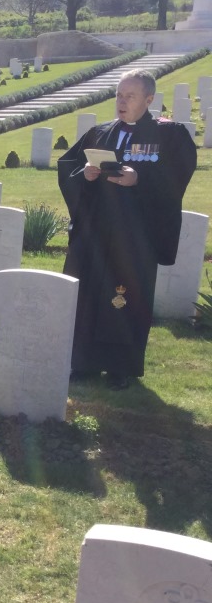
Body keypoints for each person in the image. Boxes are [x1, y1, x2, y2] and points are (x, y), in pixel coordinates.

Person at [58, 69, 196, 390]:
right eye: (119, 95)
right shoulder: (99, 133)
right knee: (89, 295)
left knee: (123, 298)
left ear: (148, 99)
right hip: (96, 234)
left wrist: (140, 180)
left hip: (135, 237)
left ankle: (120, 367)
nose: (121, 102)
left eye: (130, 96)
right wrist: (85, 175)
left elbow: (177, 175)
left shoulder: (169, 136)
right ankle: (84, 363)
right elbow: (68, 167)